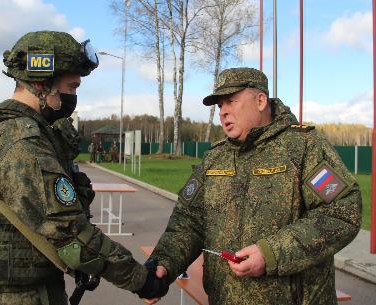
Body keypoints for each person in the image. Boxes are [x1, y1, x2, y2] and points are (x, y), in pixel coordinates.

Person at [0, 31, 168, 305]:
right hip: (21, 297)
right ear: (43, 83)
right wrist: (142, 280)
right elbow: (70, 232)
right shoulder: (20, 141)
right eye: (72, 87)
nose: (74, 96)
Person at [146, 67, 362, 305]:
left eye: (231, 101)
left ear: (260, 100)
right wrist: (165, 263)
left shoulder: (304, 148)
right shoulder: (215, 158)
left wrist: (271, 254)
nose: (223, 111)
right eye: (220, 106)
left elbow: (342, 212)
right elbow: (189, 221)